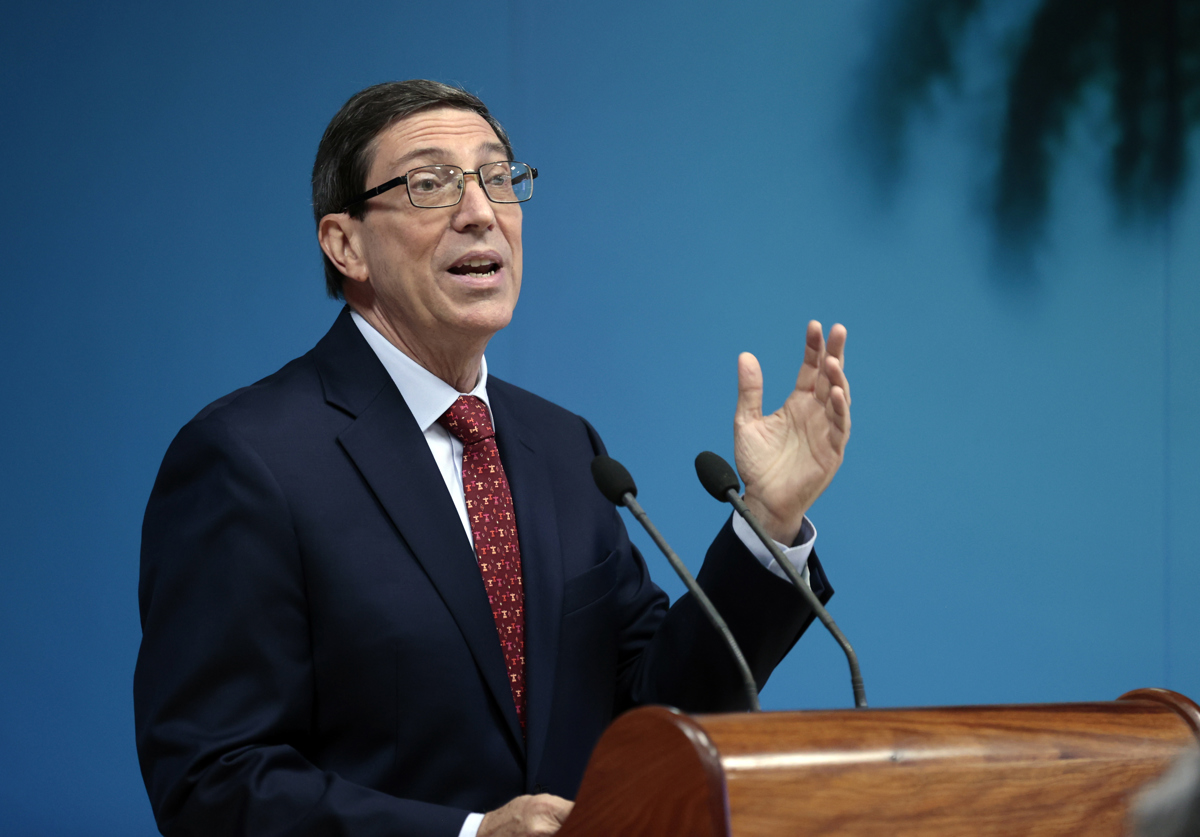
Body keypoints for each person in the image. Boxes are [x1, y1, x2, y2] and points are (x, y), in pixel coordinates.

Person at [134, 79, 853, 837]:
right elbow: (210, 779)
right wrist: (470, 834)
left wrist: (769, 519)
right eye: (429, 184)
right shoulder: (250, 459)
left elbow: (654, 713)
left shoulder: (563, 447)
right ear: (345, 244)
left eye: (498, 178)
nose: (480, 211)